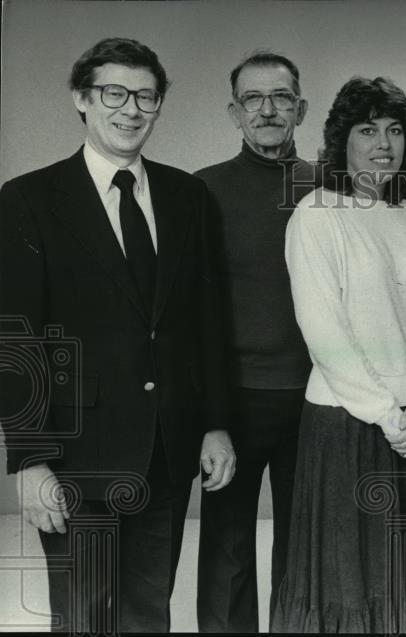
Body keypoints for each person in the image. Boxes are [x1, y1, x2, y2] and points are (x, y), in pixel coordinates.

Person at [0, 37, 234, 632]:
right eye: (114, 93)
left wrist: (214, 422)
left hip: (167, 448)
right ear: (82, 98)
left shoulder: (188, 196)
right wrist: (28, 459)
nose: (131, 109)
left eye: (146, 97)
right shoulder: (28, 199)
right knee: (83, 618)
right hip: (76, 455)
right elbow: (15, 337)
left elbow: (208, 321)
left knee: (146, 613)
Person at [271, 76, 406, 633]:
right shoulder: (316, 215)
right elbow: (326, 336)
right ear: (340, 141)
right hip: (347, 427)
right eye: (367, 129)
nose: (383, 143)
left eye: (395, 130)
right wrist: (388, 414)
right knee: (350, 583)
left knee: (405, 581)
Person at [194, 51, 311, 633]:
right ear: (234, 113)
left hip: (318, 397)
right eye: (253, 100)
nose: (267, 110)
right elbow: (190, 311)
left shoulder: (333, 187)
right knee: (228, 551)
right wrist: (209, 413)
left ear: (301, 108)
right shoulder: (201, 192)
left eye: (281, 97)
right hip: (236, 398)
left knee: (306, 552)